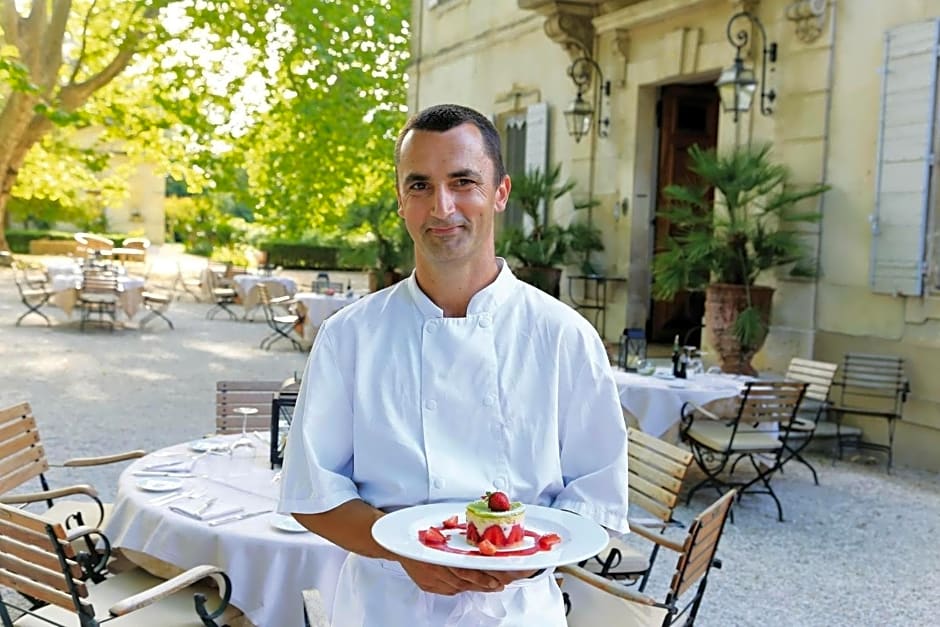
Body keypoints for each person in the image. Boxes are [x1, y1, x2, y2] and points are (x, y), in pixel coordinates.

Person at [278, 103, 629, 626]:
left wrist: (523, 561)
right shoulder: (350, 335)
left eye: (463, 181)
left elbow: (597, 494)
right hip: (385, 608)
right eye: (419, 186)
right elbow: (312, 493)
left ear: (500, 193)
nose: (442, 207)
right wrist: (401, 551)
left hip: (517, 613)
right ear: (401, 201)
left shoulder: (562, 336)